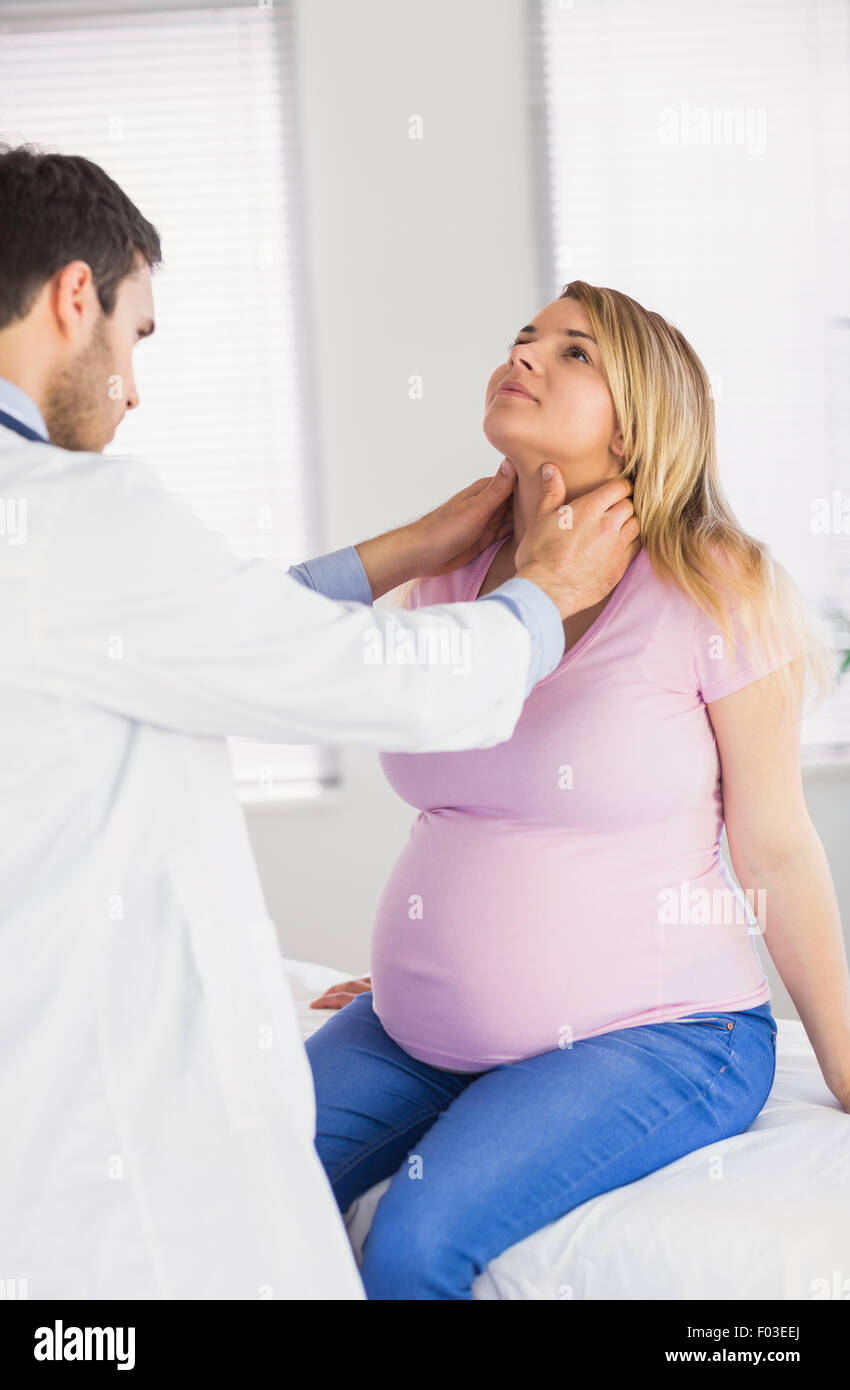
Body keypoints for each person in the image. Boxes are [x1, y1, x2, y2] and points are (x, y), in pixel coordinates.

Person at [0, 144, 639, 1299]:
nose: (133, 386)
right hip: (101, 1182)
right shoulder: (67, 515)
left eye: (568, 348)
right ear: (73, 297)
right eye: (136, 337)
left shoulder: (45, 540)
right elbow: (374, 678)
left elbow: (191, 634)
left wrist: (416, 547)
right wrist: (544, 593)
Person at [306, 282, 850, 1300]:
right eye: (523, 336)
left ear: (642, 424)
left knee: (413, 1249)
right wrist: (428, 974)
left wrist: (842, 1056)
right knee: (227, 1182)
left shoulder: (710, 583)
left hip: (655, 1033)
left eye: (574, 353)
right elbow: (276, 659)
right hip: (411, 1032)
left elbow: (773, 844)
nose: (526, 354)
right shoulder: (452, 577)